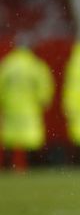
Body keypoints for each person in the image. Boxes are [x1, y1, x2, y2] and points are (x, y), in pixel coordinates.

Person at [0, 36, 54, 169]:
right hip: (30, 107)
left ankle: (10, 166)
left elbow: (1, 85)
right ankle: (33, 166)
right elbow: (44, 84)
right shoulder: (35, 65)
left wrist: (3, 101)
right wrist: (43, 101)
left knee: (11, 138)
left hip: (11, 107)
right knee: (31, 138)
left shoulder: (8, 64)